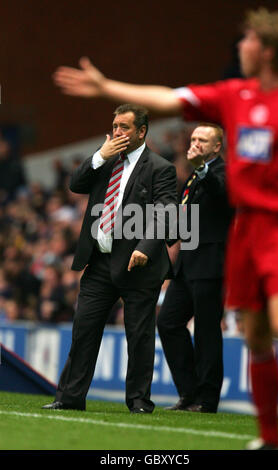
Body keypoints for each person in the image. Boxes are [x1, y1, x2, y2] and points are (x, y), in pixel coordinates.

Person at [53, 8, 278, 449]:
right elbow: (169, 97)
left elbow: (165, 208)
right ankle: (270, 438)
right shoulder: (233, 93)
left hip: (272, 229)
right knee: (256, 332)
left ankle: (154, 398)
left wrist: (149, 244)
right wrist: (106, 88)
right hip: (238, 237)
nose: (240, 46)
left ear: (270, 50)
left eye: (249, 39)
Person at [42, 104, 177, 413]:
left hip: (138, 263)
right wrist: (100, 155)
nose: (117, 131)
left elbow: (166, 213)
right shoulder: (104, 160)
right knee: (84, 329)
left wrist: (145, 247)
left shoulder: (160, 168)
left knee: (139, 335)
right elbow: (75, 184)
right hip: (100, 262)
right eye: (115, 125)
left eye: (125, 127)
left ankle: (139, 401)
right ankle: (69, 397)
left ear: (141, 131)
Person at [157, 123, 233, 414]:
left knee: (206, 330)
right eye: (193, 139)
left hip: (212, 263)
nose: (196, 143)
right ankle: (189, 393)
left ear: (217, 146)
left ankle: (207, 399)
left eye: (203, 140)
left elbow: (222, 196)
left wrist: (202, 169)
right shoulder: (193, 176)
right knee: (168, 322)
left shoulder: (223, 173)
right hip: (187, 264)